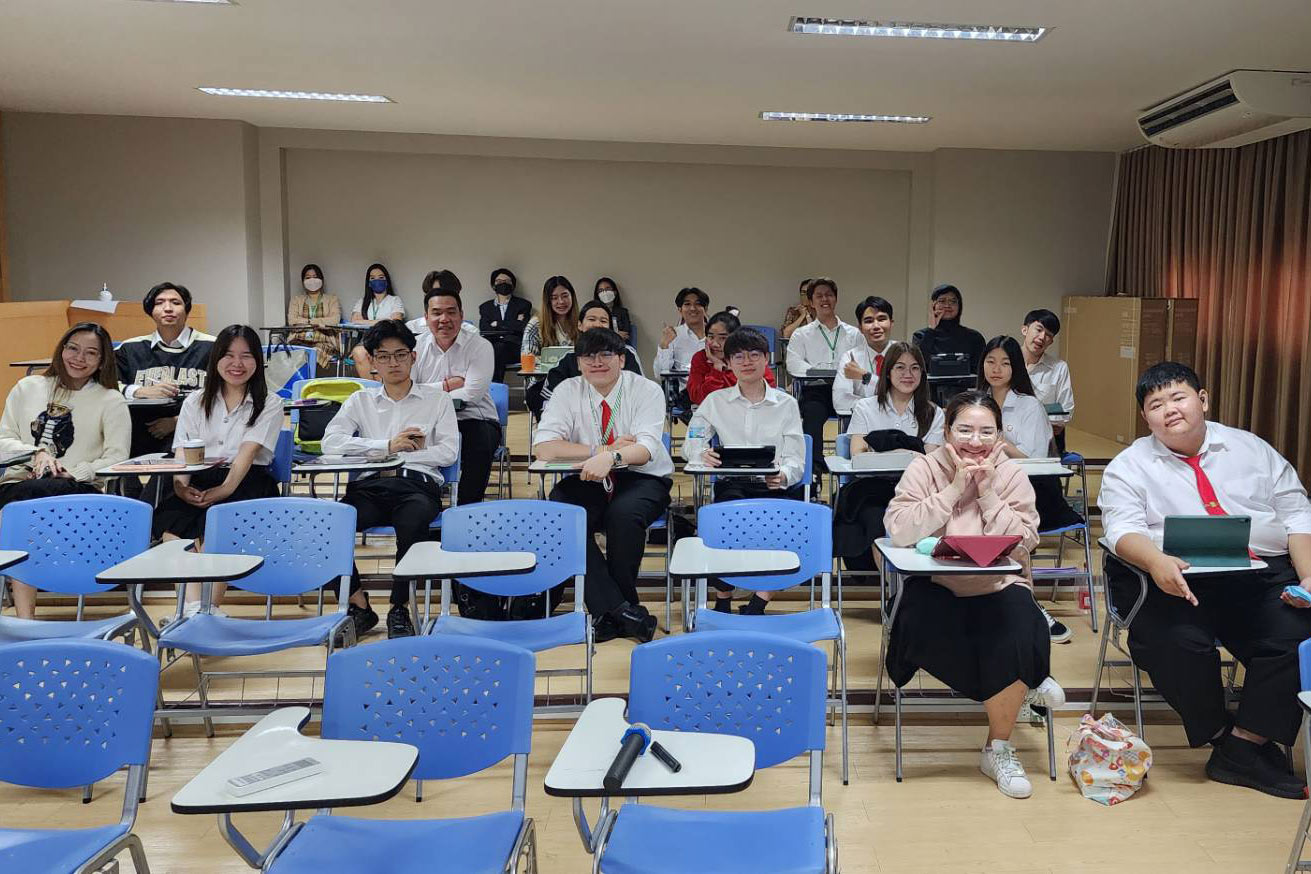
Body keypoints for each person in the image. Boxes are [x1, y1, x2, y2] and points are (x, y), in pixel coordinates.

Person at [1098, 362, 1311, 799]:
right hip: (1177, 576)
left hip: (1261, 575)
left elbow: (1297, 514)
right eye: (1156, 404)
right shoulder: (1130, 465)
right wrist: (1156, 561)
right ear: (1146, 417)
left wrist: (1308, 576)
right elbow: (1121, 529)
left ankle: (1245, 745)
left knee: (1301, 634)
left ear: (1203, 400)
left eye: (1178, 397)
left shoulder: (1252, 449)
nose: (1169, 410)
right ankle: (1223, 735)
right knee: (1172, 641)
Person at [884, 390, 1063, 800]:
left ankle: (997, 748)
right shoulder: (924, 467)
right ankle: (1029, 678)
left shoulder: (1011, 473)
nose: (975, 442)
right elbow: (899, 530)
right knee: (926, 627)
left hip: (999, 585)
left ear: (1000, 436)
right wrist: (953, 490)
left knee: (1023, 626)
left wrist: (986, 492)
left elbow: (1026, 540)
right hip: (934, 586)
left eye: (987, 432)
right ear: (947, 431)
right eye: (965, 430)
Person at [533, 327, 671, 644]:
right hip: (588, 474)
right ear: (579, 362)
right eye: (588, 356)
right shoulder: (568, 390)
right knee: (563, 514)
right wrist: (601, 451)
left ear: (621, 359)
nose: (597, 362)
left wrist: (613, 458)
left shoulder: (646, 390)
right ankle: (623, 611)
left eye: (605, 354)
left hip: (642, 476)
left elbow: (646, 449)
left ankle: (607, 614)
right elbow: (545, 448)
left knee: (623, 515)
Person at [323, 319, 459, 639]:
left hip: (416, 486)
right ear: (372, 361)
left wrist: (402, 457)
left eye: (400, 354)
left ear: (414, 357)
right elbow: (331, 443)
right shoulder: (360, 400)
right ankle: (359, 605)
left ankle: (400, 608)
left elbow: (448, 452)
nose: (393, 363)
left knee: (413, 522)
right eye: (383, 356)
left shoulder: (437, 400)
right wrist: (386, 446)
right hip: (369, 486)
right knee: (327, 527)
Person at [0, 323, 130, 619]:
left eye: (91, 353)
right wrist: (36, 452)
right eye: (73, 348)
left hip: (75, 489)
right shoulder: (27, 387)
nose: (79, 358)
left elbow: (117, 458)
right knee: (23, 509)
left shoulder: (110, 400)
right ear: (61, 349)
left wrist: (76, 472)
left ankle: (25, 619)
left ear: (102, 361)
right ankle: (25, 619)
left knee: (20, 515)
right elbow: (3, 440)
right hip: (20, 484)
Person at [152, 326, 284, 616]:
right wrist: (180, 487)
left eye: (246, 356)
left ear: (257, 361)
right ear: (216, 359)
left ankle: (204, 610)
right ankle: (194, 610)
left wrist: (224, 490)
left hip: (245, 479)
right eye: (228, 355)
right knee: (175, 528)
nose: (237, 364)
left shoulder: (270, 403)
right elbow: (182, 452)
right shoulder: (195, 401)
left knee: (219, 528)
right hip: (198, 477)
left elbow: (247, 454)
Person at [683, 328, 805, 614]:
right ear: (728, 363)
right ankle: (723, 596)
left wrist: (784, 475)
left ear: (767, 359)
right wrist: (701, 454)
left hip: (773, 486)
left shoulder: (786, 404)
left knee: (791, 529)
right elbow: (692, 441)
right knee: (716, 525)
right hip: (732, 484)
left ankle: (759, 602)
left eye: (754, 355)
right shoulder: (715, 401)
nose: (746, 362)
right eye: (738, 356)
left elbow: (796, 457)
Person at [979, 334, 1079, 643]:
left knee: (1006, 527)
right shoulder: (974, 402)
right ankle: (990, 603)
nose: (996, 369)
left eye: (1005, 363)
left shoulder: (1029, 405)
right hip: (983, 487)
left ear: (1016, 368)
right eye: (990, 361)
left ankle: (1025, 605)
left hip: (1031, 490)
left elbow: (1035, 460)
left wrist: (1001, 444)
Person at [834, 342, 944, 571]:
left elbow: (931, 460)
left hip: (917, 490)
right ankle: (889, 585)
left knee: (929, 517)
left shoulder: (934, 412)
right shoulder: (865, 407)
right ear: (888, 372)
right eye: (900, 367)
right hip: (872, 487)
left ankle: (914, 580)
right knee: (875, 518)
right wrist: (906, 453)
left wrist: (881, 453)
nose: (908, 374)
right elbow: (858, 454)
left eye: (915, 368)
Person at [413, 279, 501, 506]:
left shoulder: (480, 346)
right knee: (406, 441)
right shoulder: (414, 347)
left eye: (451, 312)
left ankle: (466, 509)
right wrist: (446, 386)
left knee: (482, 442)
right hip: (426, 419)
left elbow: (472, 394)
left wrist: (427, 394)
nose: (444, 319)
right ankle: (424, 505)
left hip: (473, 417)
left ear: (461, 316)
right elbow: (407, 390)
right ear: (426, 317)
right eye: (437, 313)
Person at [115, 282, 215, 461]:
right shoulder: (129, 348)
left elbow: (226, 394)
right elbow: (105, 387)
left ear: (187, 310)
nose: (168, 308)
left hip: (197, 439)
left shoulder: (212, 346)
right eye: (159, 303)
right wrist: (138, 391)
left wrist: (178, 421)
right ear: (150, 311)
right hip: (138, 440)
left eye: (175, 303)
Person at [784, 277, 862, 477]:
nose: (824, 299)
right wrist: (818, 371)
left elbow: (862, 361)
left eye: (829, 295)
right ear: (811, 302)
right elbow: (793, 363)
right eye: (819, 296)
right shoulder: (801, 334)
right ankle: (815, 469)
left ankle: (853, 465)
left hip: (846, 388)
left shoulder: (853, 334)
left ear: (836, 299)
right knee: (812, 412)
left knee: (861, 411)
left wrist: (843, 372)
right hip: (816, 388)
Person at [526, 301, 641, 419]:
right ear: (580, 325)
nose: (597, 324)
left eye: (603, 321)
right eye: (591, 319)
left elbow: (636, 391)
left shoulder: (625, 354)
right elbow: (553, 397)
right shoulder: (569, 358)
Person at [912, 284, 986, 404]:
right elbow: (918, 365)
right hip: (928, 398)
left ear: (960, 306)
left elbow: (981, 372)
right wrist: (931, 329)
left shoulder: (974, 337)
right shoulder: (921, 336)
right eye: (942, 301)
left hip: (966, 398)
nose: (947, 305)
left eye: (953, 301)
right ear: (933, 306)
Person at [686, 311, 776, 405]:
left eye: (723, 338)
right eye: (711, 337)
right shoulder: (700, 358)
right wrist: (717, 370)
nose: (715, 344)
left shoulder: (749, 358)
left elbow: (768, 389)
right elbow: (698, 398)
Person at [1020, 308, 1074, 456]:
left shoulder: (1059, 368)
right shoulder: (1007, 363)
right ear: (1024, 330)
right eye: (1038, 330)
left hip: (1045, 439)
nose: (1042, 337)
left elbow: (1066, 408)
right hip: (1009, 436)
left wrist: (1049, 422)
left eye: (1049, 335)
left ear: (1051, 341)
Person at [833, 295, 896, 413]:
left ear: (891, 323)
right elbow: (840, 401)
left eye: (881, 319)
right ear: (860, 328)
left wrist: (866, 377)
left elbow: (905, 396)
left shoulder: (904, 354)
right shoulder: (850, 357)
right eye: (869, 321)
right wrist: (881, 405)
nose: (876, 326)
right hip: (863, 420)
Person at [349, 263, 405, 378]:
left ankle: (382, 387)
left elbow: (396, 321)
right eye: (373, 278)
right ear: (369, 283)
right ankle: (371, 387)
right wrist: (384, 321)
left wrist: (366, 322)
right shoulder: (362, 302)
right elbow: (354, 320)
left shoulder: (395, 300)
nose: (377, 281)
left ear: (387, 281)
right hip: (366, 340)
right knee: (359, 353)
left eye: (381, 277)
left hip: (387, 339)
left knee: (381, 356)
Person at [286, 263, 343, 374]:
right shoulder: (296, 300)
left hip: (324, 341)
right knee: (294, 353)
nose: (312, 280)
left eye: (315, 277)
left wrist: (307, 321)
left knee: (312, 353)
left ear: (322, 280)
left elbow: (334, 320)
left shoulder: (332, 299)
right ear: (303, 282)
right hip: (298, 339)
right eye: (308, 278)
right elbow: (292, 321)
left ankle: (308, 380)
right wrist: (319, 323)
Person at [478, 268, 532, 382]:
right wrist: (512, 324)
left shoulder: (523, 305)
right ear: (493, 285)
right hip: (492, 347)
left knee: (499, 349)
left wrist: (496, 324)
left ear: (513, 285)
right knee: (494, 349)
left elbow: (521, 327)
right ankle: (493, 386)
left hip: (514, 348)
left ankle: (493, 386)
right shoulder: (485, 307)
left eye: (507, 281)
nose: (503, 284)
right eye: (499, 281)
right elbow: (484, 329)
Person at [654, 287, 709, 376]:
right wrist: (664, 345)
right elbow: (660, 375)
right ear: (680, 310)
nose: (693, 308)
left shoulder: (717, 334)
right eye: (687, 304)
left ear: (705, 309)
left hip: (715, 384)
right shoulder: (673, 335)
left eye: (698, 304)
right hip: (685, 384)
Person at [521, 275, 578, 358]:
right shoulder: (536, 324)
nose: (561, 301)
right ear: (548, 301)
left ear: (572, 296)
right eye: (554, 298)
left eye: (565, 296)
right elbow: (527, 357)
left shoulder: (582, 321)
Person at [593, 277, 633, 343]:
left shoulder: (623, 312)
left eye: (607, 289)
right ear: (598, 295)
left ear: (614, 292)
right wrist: (615, 335)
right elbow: (596, 334)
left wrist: (606, 335)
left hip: (620, 345)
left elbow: (626, 334)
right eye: (600, 290)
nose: (604, 292)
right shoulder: (594, 313)